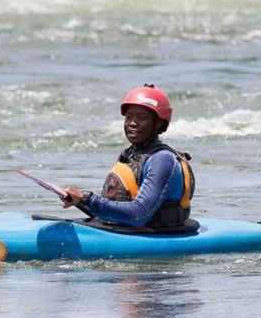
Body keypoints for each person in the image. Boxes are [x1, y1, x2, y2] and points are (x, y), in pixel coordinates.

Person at [62, 84, 195, 228]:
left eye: (142, 118)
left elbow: (138, 215)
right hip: (131, 229)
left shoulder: (162, 160)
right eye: (129, 117)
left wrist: (86, 198)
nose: (132, 123)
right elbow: (116, 210)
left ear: (158, 123)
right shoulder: (130, 155)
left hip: (158, 234)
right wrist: (78, 201)